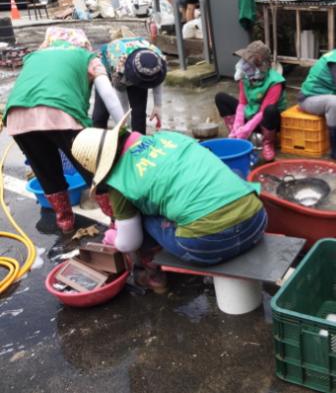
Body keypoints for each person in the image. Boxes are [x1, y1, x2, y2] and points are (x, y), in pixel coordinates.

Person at [71, 111, 267, 293]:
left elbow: (129, 242)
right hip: (257, 223)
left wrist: (114, 237)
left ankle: (154, 278)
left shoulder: (120, 183)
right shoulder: (169, 138)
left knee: (139, 220)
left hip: (210, 246)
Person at [2, 27, 125, 233]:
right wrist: (124, 127)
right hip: (61, 113)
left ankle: (65, 222)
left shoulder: (34, 57)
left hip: (18, 117)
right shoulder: (88, 57)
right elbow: (108, 95)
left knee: (46, 170)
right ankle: (118, 221)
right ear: (82, 43)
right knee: (94, 169)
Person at [215, 41, 286, 162]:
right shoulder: (245, 77)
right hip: (251, 114)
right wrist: (238, 126)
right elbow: (242, 103)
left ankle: (268, 143)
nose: (245, 65)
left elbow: (263, 111)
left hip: (267, 121)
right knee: (221, 98)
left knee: (270, 110)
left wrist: (247, 129)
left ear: (261, 65)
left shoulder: (275, 82)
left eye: (250, 62)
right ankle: (235, 135)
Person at [92, 36, 166, 134]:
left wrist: (158, 105)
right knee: (100, 115)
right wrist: (125, 125)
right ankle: (100, 139)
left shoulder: (158, 58)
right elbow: (121, 100)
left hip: (136, 64)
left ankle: (139, 140)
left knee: (139, 114)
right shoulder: (119, 68)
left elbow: (158, 79)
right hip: (109, 64)